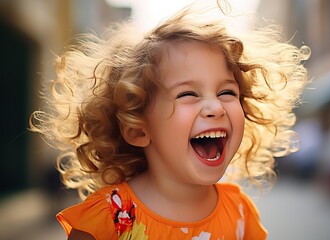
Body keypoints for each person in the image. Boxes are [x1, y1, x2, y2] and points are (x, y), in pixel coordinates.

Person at [30, 2, 309, 239]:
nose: (215, 106)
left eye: (226, 91)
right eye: (187, 93)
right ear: (138, 129)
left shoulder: (240, 212)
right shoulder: (108, 217)